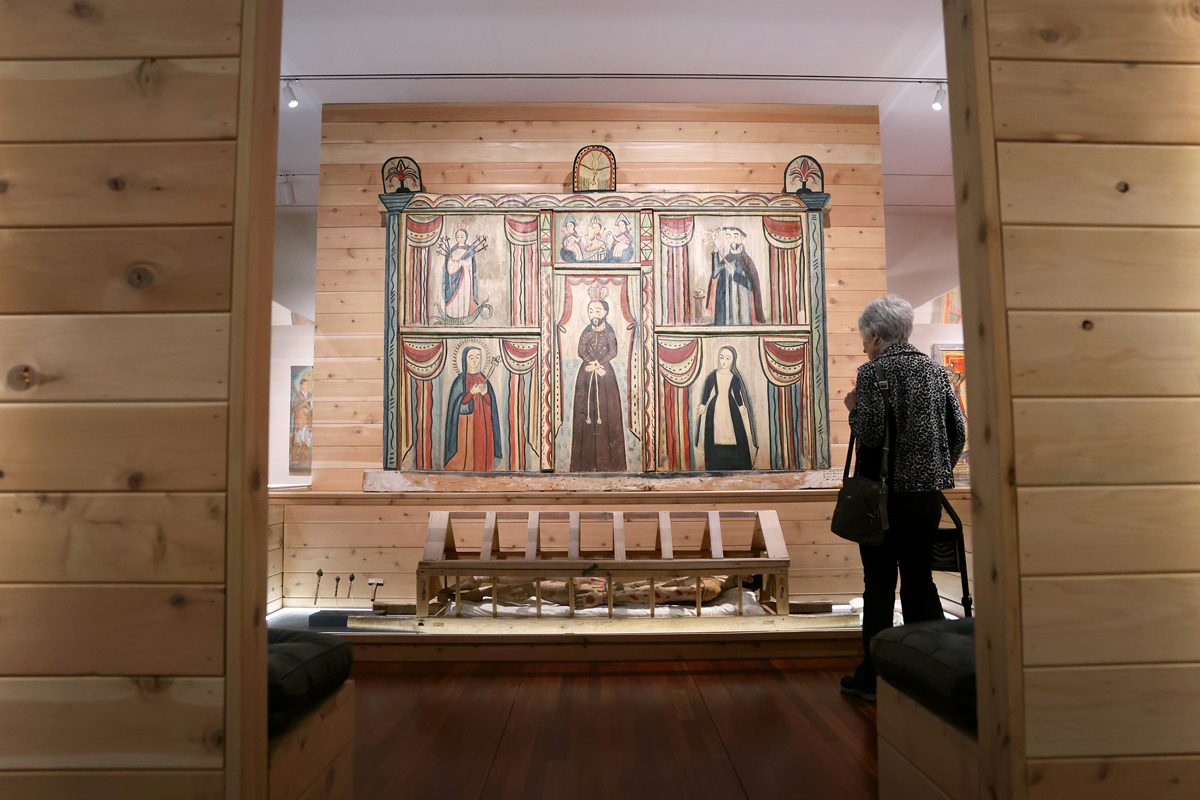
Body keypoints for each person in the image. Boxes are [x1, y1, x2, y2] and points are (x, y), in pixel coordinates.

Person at [840, 294, 966, 702]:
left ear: (876, 335)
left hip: (884, 498)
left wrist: (853, 409)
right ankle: (929, 672)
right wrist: (936, 469)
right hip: (926, 496)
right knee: (919, 580)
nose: (863, 345)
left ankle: (873, 678)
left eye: (864, 337)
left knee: (878, 585)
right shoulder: (935, 370)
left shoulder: (874, 372)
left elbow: (872, 433)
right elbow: (958, 428)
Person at [570, 298, 626, 471]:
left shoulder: (608, 331)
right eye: (591, 311)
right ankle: (584, 464)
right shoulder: (587, 330)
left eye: (598, 310)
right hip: (586, 376)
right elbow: (580, 349)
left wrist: (598, 363)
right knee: (585, 416)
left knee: (608, 414)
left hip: (604, 375)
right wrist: (592, 363)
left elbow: (613, 350)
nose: (594, 314)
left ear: (606, 312)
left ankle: (609, 464)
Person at [695, 346, 757, 470]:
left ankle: (735, 459)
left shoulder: (734, 377)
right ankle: (715, 460)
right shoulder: (713, 375)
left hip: (731, 407)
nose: (724, 361)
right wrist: (702, 404)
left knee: (732, 432)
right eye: (721, 357)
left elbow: (737, 394)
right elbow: (707, 390)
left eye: (727, 358)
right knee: (716, 431)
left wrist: (740, 406)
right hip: (715, 407)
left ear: (732, 360)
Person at [444, 346, 502, 471]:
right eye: (471, 357)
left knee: (482, 445)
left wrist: (485, 393)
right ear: (465, 359)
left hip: (484, 421)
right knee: (468, 450)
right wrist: (471, 392)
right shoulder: (460, 380)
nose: (475, 360)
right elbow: (457, 405)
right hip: (467, 423)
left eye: (477, 357)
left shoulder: (484, 379)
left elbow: (490, 404)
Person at [705, 227, 765, 325]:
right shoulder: (727, 259)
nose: (732, 240)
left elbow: (751, 286)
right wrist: (715, 252)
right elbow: (715, 272)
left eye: (736, 236)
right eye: (729, 237)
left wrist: (735, 275)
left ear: (742, 238)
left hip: (742, 308)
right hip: (725, 308)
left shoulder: (747, 261)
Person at [440, 228, 482, 319]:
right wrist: (453, 261)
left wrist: (461, 262)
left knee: (464, 293)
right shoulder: (452, 250)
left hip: (465, 276)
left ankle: (463, 314)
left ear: (466, 237)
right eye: (458, 236)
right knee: (455, 295)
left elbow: (469, 263)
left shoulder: (469, 250)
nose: (459, 238)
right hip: (454, 277)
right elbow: (448, 264)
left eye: (462, 236)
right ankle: (454, 314)